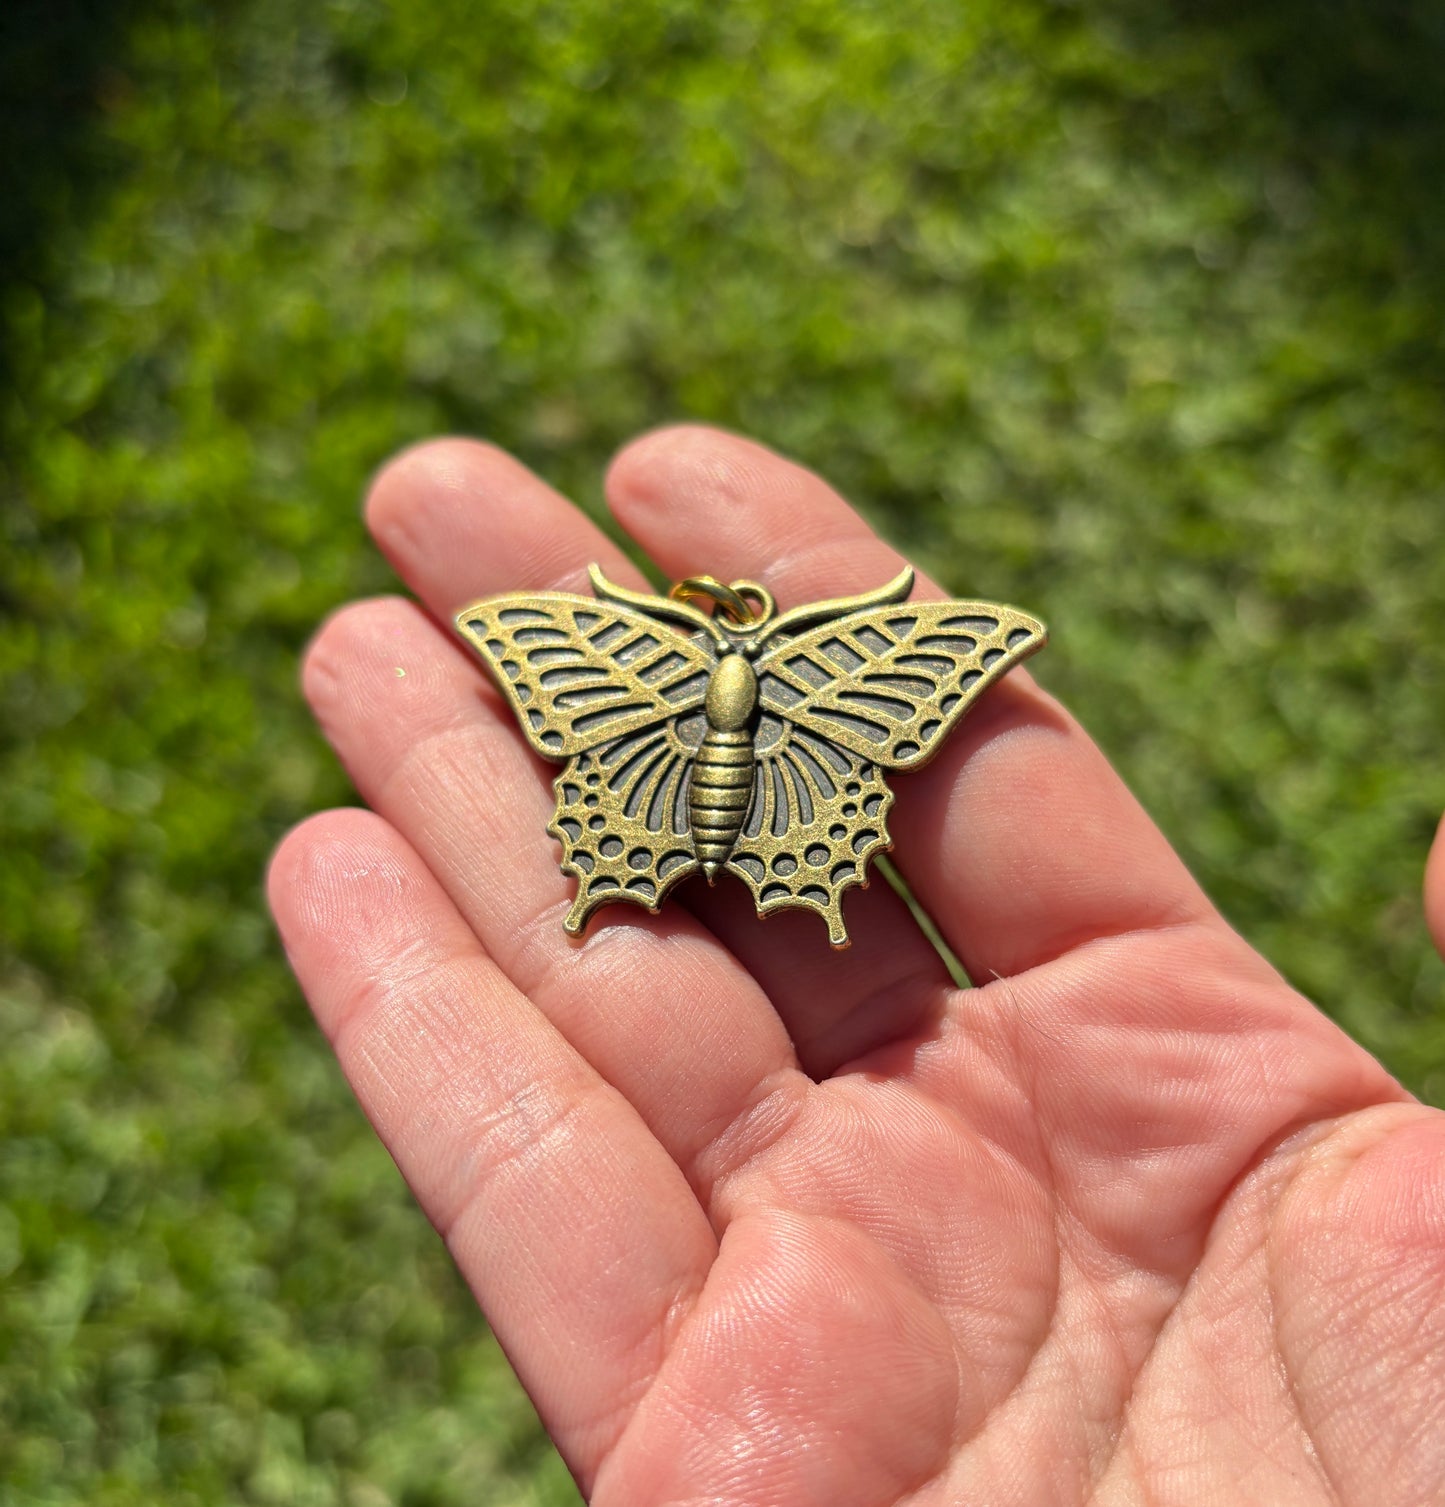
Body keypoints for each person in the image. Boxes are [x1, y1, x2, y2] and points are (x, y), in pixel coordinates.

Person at [268, 425, 1445, 1506]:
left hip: (655, 779)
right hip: (792, 790)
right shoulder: (850, 664)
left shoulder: (593, 646)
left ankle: (640, 858)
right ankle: (682, 864)